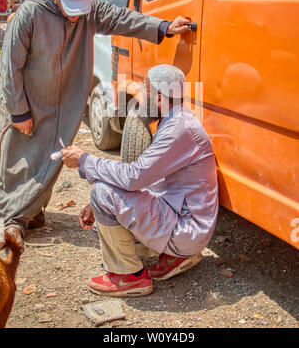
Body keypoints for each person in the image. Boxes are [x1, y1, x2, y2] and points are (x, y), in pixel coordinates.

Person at [0, 0, 190, 250]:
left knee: (50, 159)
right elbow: (10, 65)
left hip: (65, 104)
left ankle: (30, 212)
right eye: (71, 9)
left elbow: (122, 18)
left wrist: (162, 27)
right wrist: (18, 111)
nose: (76, 16)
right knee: (19, 159)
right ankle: (10, 220)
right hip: (29, 102)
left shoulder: (88, 11)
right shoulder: (30, 14)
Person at [61, 64, 219, 297]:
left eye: (145, 93)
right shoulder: (176, 121)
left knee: (102, 194)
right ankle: (175, 255)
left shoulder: (178, 130)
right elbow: (148, 179)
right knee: (106, 200)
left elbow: (134, 177)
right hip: (187, 224)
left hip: (187, 230)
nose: (141, 100)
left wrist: (84, 160)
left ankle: (129, 277)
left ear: (158, 98)